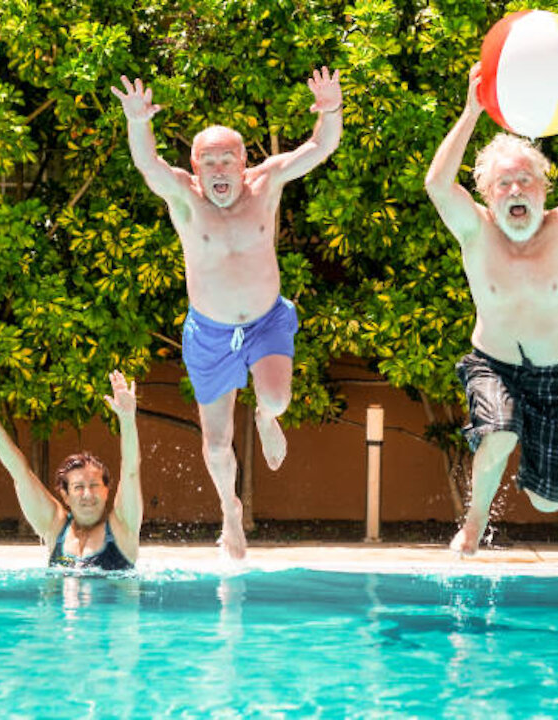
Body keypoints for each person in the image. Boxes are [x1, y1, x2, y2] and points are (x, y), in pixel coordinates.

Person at [110, 67, 343, 559]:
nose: (218, 170)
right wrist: (137, 121)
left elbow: (319, 148)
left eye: (227, 159)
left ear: (244, 163)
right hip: (210, 333)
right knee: (217, 444)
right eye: (208, 161)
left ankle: (265, 415)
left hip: (265, 321)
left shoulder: (267, 184)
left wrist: (330, 108)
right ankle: (229, 514)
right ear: (195, 167)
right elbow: (148, 165)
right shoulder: (184, 196)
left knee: (278, 400)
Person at [425, 63, 558, 556]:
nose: (516, 190)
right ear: (486, 195)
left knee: (548, 500)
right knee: (498, 432)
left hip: (557, 375)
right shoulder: (475, 230)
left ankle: (531, 472)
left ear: (545, 187)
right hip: (491, 363)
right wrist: (470, 112)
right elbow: (438, 184)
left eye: (525, 180)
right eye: (503, 184)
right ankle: (475, 523)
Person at [0, 370, 142, 571]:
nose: (87, 494)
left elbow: (131, 470)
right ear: (65, 495)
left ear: (107, 491)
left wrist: (127, 419)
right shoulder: (55, 526)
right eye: (78, 487)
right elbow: (20, 474)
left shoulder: (123, 527)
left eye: (95, 485)